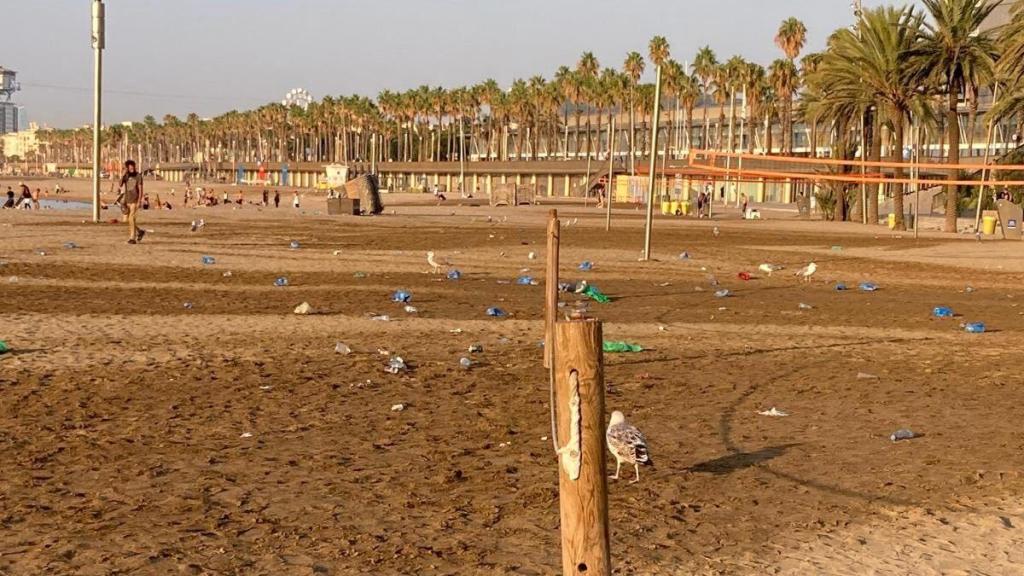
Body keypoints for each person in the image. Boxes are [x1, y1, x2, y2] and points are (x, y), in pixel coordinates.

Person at [117, 159, 145, 244]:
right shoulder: (126, 176)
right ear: (128, 168)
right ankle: (140, 231)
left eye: (133, 167)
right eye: (130, 167)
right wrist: (123, 174)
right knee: (127, 220)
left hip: (135, 200)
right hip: (127, 200)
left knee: (131, 218)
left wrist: (139, 200)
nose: (131, 168)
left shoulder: (138, 176)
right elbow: (120, 184)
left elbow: (140, 189)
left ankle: (132, 238)